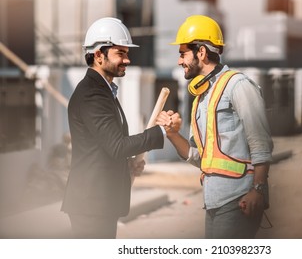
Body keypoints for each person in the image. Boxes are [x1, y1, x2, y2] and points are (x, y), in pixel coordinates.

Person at [158, 15, 273, 238]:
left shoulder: (238, 85)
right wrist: (172, 134)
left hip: (239, 200)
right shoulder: (202, 96)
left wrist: (258, 190)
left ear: (201, 52)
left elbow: (261, 143)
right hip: (213, 202)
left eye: (182, 54)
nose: (179, 61)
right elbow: (201, 158)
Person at [61, 17, 174, 238]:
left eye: (126, 53)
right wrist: (160, 131)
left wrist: (128, 165)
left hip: (99, 203)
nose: (127, 60)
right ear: (99, 55)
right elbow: (117, 146)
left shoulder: (104, 91)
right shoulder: (92, 94)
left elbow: (104, 147)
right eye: (120, 53)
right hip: (91, 206)